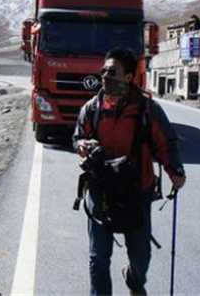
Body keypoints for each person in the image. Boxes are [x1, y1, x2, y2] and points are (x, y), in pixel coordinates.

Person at [73, 48, 186, 296]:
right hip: (100, 190)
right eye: (104, 71)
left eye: (112, 72)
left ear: (129, 77)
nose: (105, 76)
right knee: (98, 257)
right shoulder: (91, 109)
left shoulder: (147, 110)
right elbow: (78, 136)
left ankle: (134, 281)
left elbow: (166, 142)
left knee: (140, 255)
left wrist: (175, 170)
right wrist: (82, 145)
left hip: (136, 191)